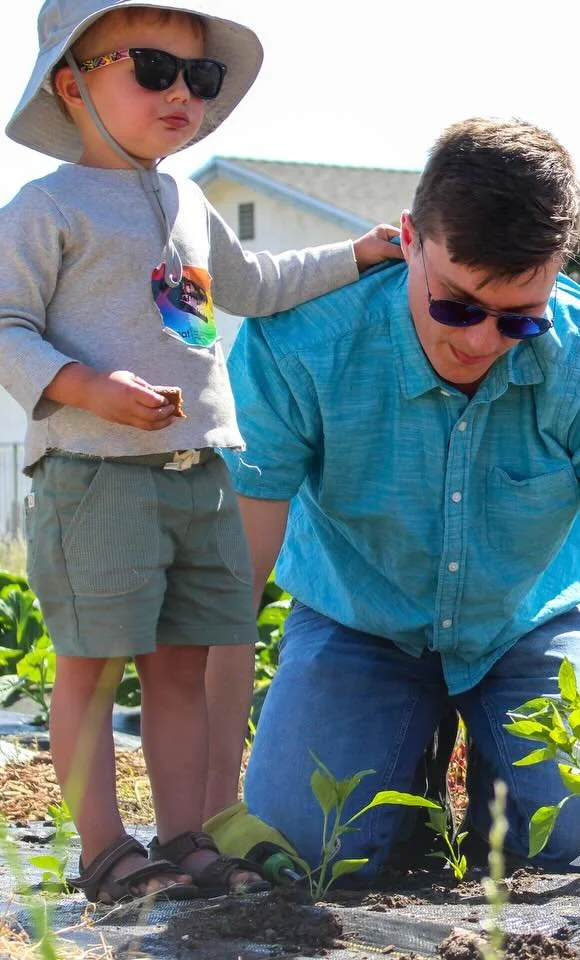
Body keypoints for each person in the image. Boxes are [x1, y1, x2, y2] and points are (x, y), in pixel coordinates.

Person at [202, 116, 580, 883]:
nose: (481, 342)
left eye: (519, 319)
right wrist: (209, 812)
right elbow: (225, 594)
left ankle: (496, 806)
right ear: (409, 239)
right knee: (304, 850)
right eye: (458, 305)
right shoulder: (298, 345)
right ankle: (407, 786)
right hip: (357, 622)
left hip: (530, 628)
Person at [0, 0, 400, 904]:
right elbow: (5, 326)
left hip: (199, 472)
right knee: (90, 670)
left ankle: (183, 837)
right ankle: (104, 852)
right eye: (153, 69)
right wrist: (85, 388)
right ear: (73, 82)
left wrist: (360, 253)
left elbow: (255, 284)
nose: (183, 93)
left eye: (201, 77)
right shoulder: (45, 208)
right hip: (94, 477)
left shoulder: (186, 201)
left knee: (182, 668)